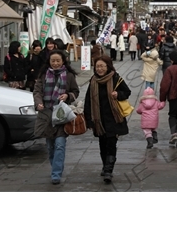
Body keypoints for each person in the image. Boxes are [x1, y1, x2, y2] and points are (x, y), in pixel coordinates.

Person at [33, 49, 79, 185]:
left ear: (63, 61)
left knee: (59, 145)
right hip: (46, 115)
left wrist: (68, 96)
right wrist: (38, 102)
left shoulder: (69, 76)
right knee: (50, 146)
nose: (55, 63)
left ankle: (56, 174)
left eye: (58, 60)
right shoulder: (43, 75)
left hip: (61, 115)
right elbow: (37, 91)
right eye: (53, 61)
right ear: (49, 61)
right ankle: (56, 167)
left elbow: (75, 91)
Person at [84, 55, 131, 183]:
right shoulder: (93, 81)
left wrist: (118, 94)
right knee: (102, 145)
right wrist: (88, 120)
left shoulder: (116, 78)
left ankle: (108, 170)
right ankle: (105, 165)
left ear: (108, 66)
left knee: (111, 144)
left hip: (113, 119)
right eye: (97, 66)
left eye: (102, 66)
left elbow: (127, 92)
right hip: (99, 120)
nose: (99, 69)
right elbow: (88, 101)